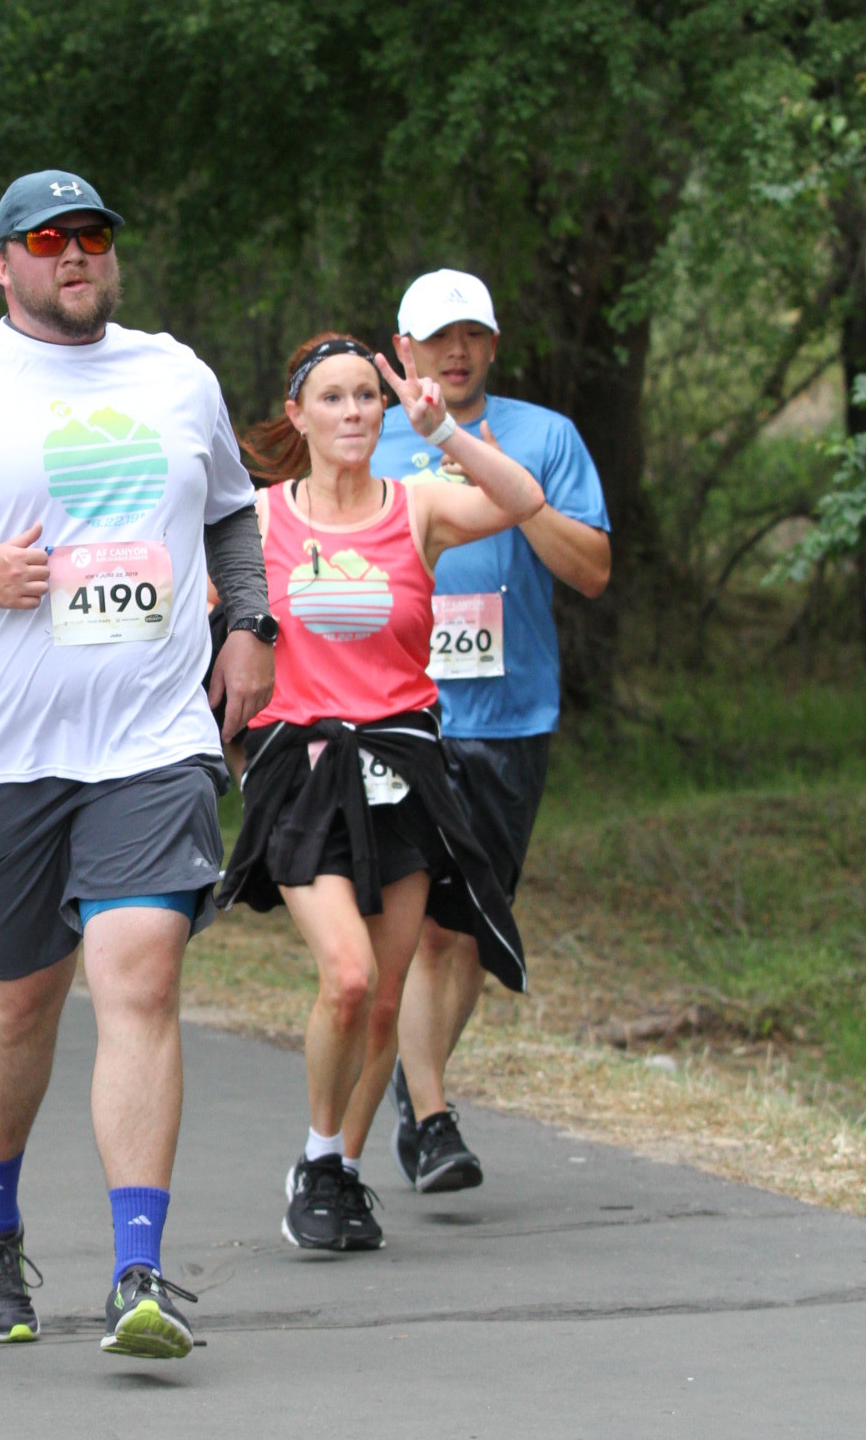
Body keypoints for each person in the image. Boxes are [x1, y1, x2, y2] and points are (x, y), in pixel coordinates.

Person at [0, 169, 279, 1362]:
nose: (74, 254)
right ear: (3, 263)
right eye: (46, 239)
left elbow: (231, 509)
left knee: (139, 978)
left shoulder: (174, 374)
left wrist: (249, 624)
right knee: (20, 998)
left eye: (92, 235)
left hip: (151, 738)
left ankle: (139, 1270)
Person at [216, 333, 545, 1254]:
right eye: (332, 397)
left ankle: (339, 1170)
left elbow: (522, 500)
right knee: (349, 977)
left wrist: (443, 431)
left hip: (404, 768)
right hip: (300, 770)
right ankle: (321, 1154)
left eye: (368, 395)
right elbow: (191, 618)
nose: (354, 412)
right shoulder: (258, 520)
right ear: (298, 414)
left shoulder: (416, 507)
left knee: (387, 996)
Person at [371, 268, 611, 1192]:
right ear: (405, 350)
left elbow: (591, 571)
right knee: (421, 927)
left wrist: (505, 482)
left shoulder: (545, 437)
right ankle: (431, 1118)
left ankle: (415, 1076)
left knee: (467, 929)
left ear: (495, 343)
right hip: (397, 711)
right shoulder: (368, 434)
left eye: (472, 334)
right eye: (439, 339)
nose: (457, 352)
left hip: (509, 715)